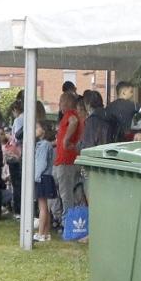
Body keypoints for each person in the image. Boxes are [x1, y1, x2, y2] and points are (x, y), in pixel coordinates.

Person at [53, 92, 84, 220]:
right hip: (71, 160)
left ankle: (67, 222)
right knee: (73, 193)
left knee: (66, 195)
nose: (59, 105)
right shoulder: (74, 115)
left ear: (66, 103)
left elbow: (73, 121)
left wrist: (66, 139)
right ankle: (73, 220)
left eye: (61, 102)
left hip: (66, 161)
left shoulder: (70, 115)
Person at [33, 119, 57, 242]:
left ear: (43, 130)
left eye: (37, 128)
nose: (35, 130)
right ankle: (46, 233)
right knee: (45, 207)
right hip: (46, 177)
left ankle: (41, 233)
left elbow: (42, 163)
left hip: (42, 177)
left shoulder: (44, 145)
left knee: (42, 207)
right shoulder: (46, 144)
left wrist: (35, 177)